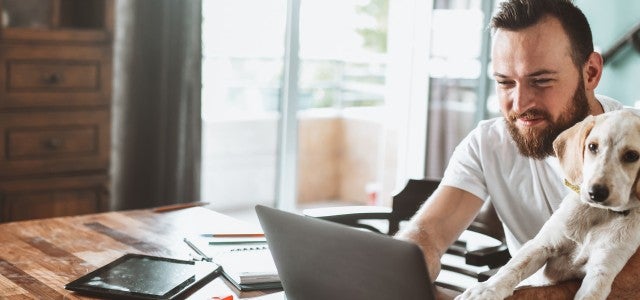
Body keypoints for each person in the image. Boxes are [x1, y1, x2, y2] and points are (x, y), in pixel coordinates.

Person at [395, 0, 639, 297]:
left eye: (541, 81)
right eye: (505, 82)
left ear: (590, 72)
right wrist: (397, 271)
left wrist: (538, 296)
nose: (520, 103)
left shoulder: (634, 147)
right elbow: (429, 234)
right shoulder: (487, 144)